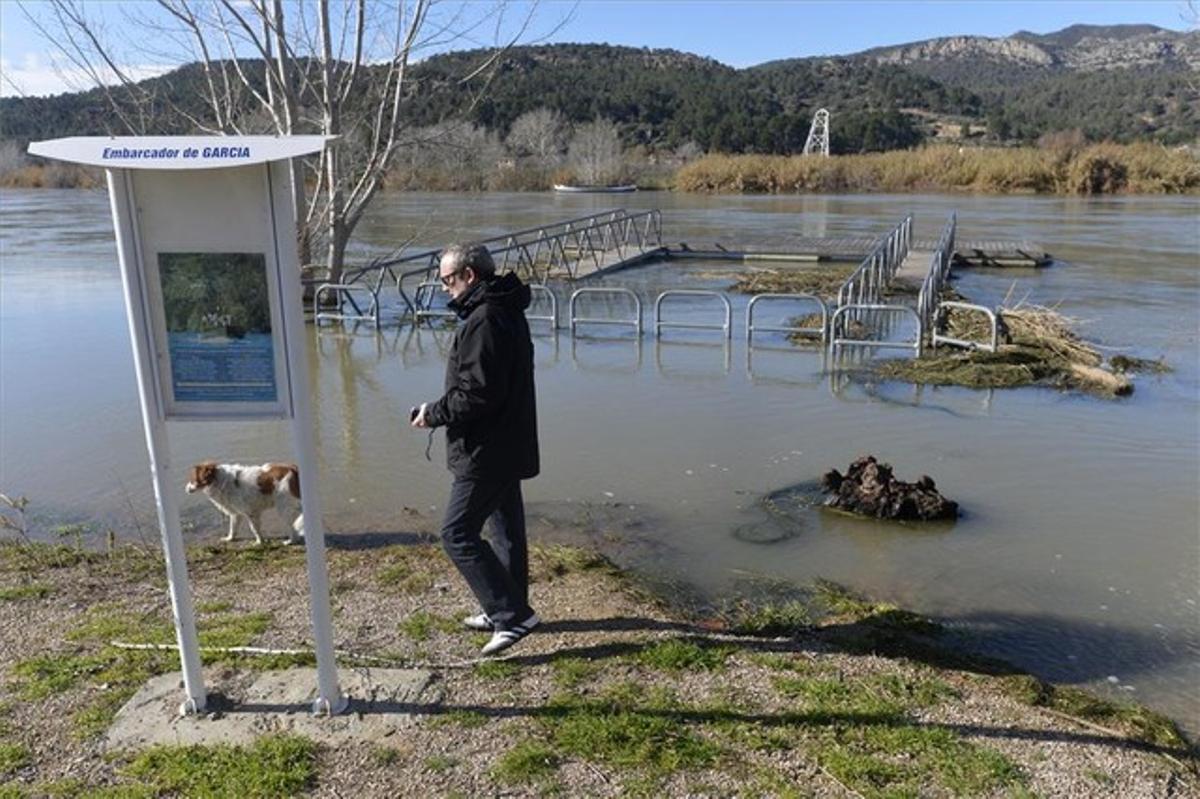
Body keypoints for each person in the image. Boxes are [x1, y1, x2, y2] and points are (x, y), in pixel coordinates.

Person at [411, 243, 540, 655]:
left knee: (457, 533)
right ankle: (505, 606)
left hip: (487, 448)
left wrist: (434, 413)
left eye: (448, 280)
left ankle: (512, 616)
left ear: (469, 275)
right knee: (504, 531)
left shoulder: (484, 318)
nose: (445, 288)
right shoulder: (503, 309)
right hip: (507, 441)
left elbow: (477, 393)